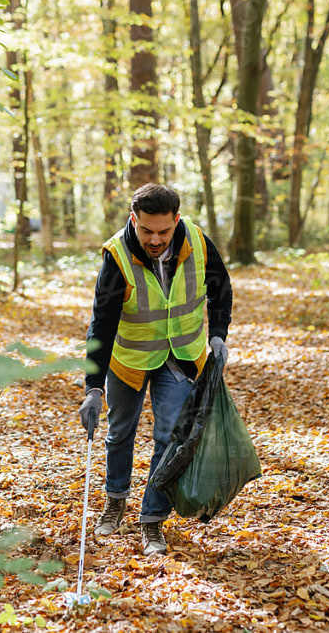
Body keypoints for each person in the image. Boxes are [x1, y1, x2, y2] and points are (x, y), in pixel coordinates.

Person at [78, 183, 233, 556]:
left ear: (176, 219)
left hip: (179, 355)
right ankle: (116, 498)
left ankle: (152, 521)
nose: (155, 239)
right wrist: (93, 389)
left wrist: (218, 335)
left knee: (169, 437)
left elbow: (221, 288)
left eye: (164, 231)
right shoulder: (117, 256)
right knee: (120, 433)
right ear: (134, 220)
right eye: (146, 230)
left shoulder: (197, 242)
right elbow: (102, 324)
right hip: (129, 359)